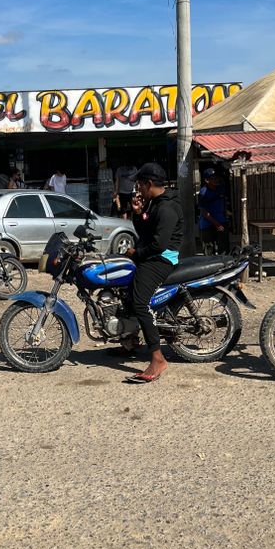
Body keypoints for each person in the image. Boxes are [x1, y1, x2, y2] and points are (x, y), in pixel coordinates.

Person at [124, 162, 182, 383]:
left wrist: (135, 254)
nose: (138, 189)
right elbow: (146, 232)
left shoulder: (166, 208)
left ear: (149, 184)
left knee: (140, 303)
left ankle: (158, 358)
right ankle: (128, 340)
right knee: (126, 291)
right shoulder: (155, 203)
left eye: (139, 184)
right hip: (151, 255)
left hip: (161, 259)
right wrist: (137, 213)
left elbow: (158, 245)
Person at [198, 167, 229, 255]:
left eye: (217, 177)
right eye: (213, 178)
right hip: (207, 224)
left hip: (221, 221)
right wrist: (216, 224)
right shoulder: (203, 193)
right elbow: (204, 213)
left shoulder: (221, 188)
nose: (216, 180)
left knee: (223, 249)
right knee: (208, 250)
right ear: (207, 180)